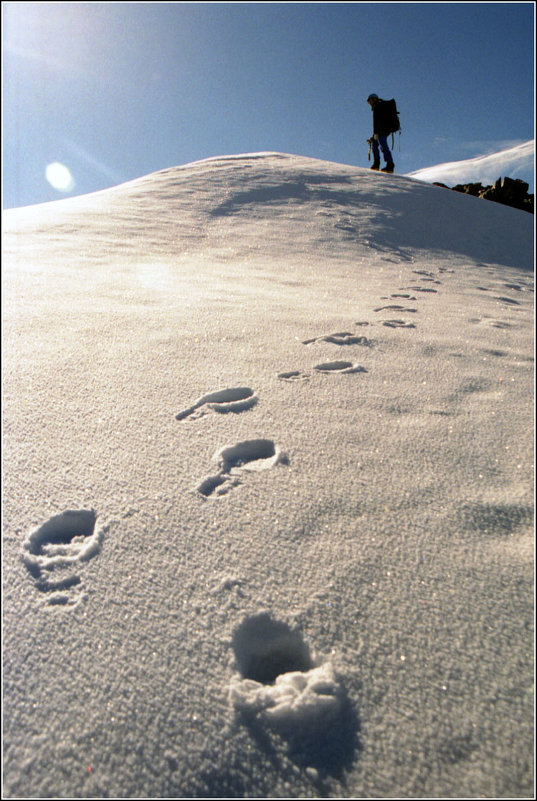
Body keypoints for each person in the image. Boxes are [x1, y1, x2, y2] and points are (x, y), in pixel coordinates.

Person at [367, 93, 395, 173]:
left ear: (374, 99)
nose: (369, 103)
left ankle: (389, 165)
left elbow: (378, 122)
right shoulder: (378, 106)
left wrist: (376, 133)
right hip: (382, 131)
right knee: (376, 145)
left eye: (370, 101)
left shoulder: (378, 107)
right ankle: (377, 164)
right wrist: (374, 135)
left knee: (383, 146)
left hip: (382, 131)